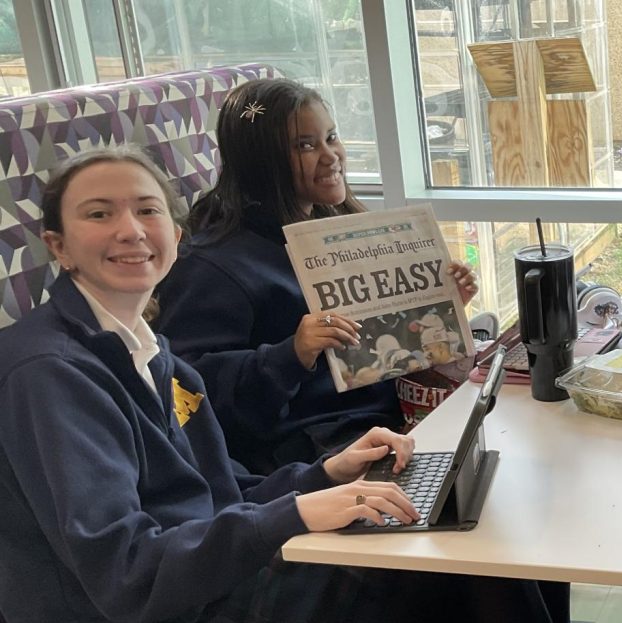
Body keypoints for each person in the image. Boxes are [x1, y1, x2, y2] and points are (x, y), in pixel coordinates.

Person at [0, 146, 560, 622]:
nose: (129, 230)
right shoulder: (52, 374)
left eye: (146, 210)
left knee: (490, 547)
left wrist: (326, 474)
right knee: (460, 566)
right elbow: (123, 573)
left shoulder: (148, 351)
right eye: (99, 215)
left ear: (173, 233)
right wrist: (297, 513)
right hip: (168, 604)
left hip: (203, 576)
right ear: (59, 245)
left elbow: (215, 491)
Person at [155, 78, 479, 474]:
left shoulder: (337, 229)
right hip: (313, 455)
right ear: (262, 160)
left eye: (331, 137)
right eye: (305, 146)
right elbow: (188, 394)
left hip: (393, 418)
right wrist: (292, 353)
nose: (331, 156)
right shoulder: (210, 265)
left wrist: (442, 308)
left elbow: (381, 351)